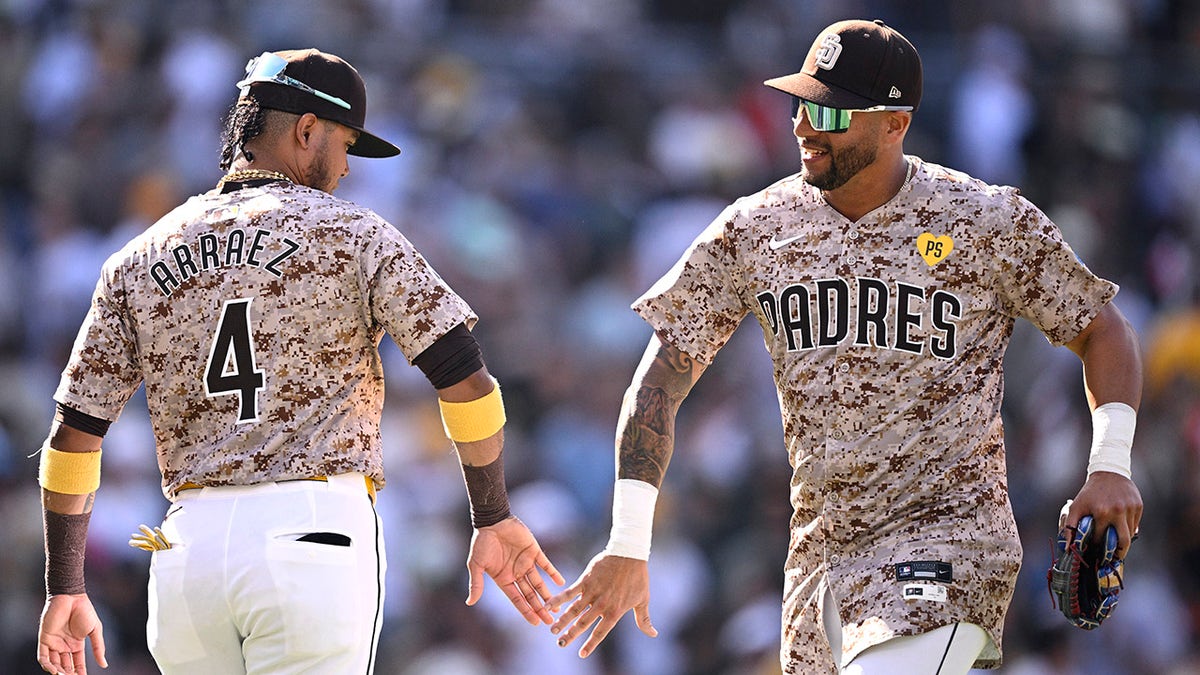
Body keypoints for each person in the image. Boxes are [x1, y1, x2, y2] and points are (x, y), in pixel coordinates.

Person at [548, 19, 1143, 674]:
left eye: (831, 110)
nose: (806, 124)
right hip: (820, 561)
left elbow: (1101, 328)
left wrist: (1110, 462)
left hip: (946, 541)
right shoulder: (757, 228)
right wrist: (629, 538)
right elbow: (661, 379)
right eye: (803, 103)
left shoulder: (983, 219)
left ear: (895, 123)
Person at [35, 48, 563, 675]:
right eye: (344, 144)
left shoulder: (138, 256)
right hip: (312, 534)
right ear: (307, 129)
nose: (345, 168)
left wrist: (63, 586)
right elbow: (467, 382)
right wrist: (492, 514)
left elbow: (72, 439)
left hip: (184, 552)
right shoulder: (354, 232)